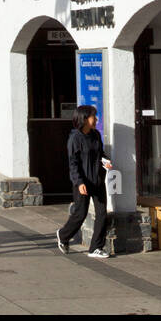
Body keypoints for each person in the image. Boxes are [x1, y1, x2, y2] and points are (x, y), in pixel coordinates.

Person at [56, 106, 113, 259]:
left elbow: (100, 154)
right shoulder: (75, 138)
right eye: (93, 117)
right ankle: (63, 235)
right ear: (84, 119)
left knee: (102, 214)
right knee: (80, 213)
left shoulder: (95, 135)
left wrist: (106, 161)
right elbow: (73, 163)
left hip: (97, 180)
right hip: (82, 182)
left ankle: (96, 248)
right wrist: (79, 182)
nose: (96, 119)